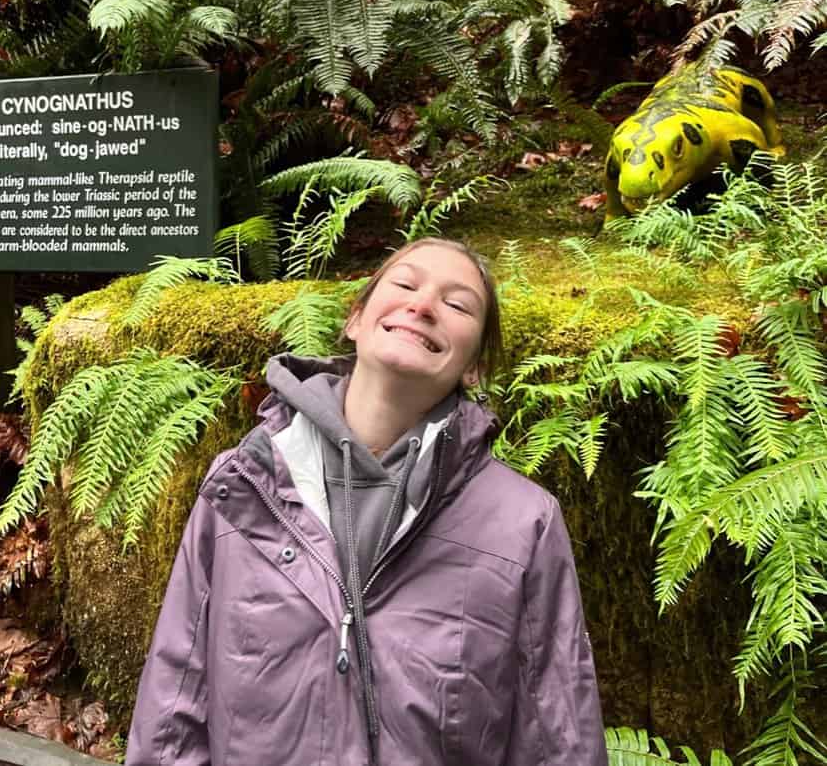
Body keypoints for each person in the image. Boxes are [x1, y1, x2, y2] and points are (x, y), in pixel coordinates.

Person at [125, 237, 608, 766]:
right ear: (355, 320)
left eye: (457, 304)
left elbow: (554, 734)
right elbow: (175, 705)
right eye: (404, 284)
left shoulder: (523, 523)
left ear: (475, 367)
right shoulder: (243, 486)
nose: (422, 306)